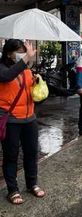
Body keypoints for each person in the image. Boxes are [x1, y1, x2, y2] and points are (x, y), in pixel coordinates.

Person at [0, 39, 45, 204]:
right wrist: (27, 58)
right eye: (19, 52)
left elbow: (31, 95)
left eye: (23, 51)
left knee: (32, 153)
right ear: (8, 53)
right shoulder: (3, 68)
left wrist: (37, 84)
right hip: (11, 120)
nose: (22, 55)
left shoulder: (26, 69)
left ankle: (32, 184)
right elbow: (7, 76)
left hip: (29, 119)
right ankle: (12, 190)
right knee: (11, 156)